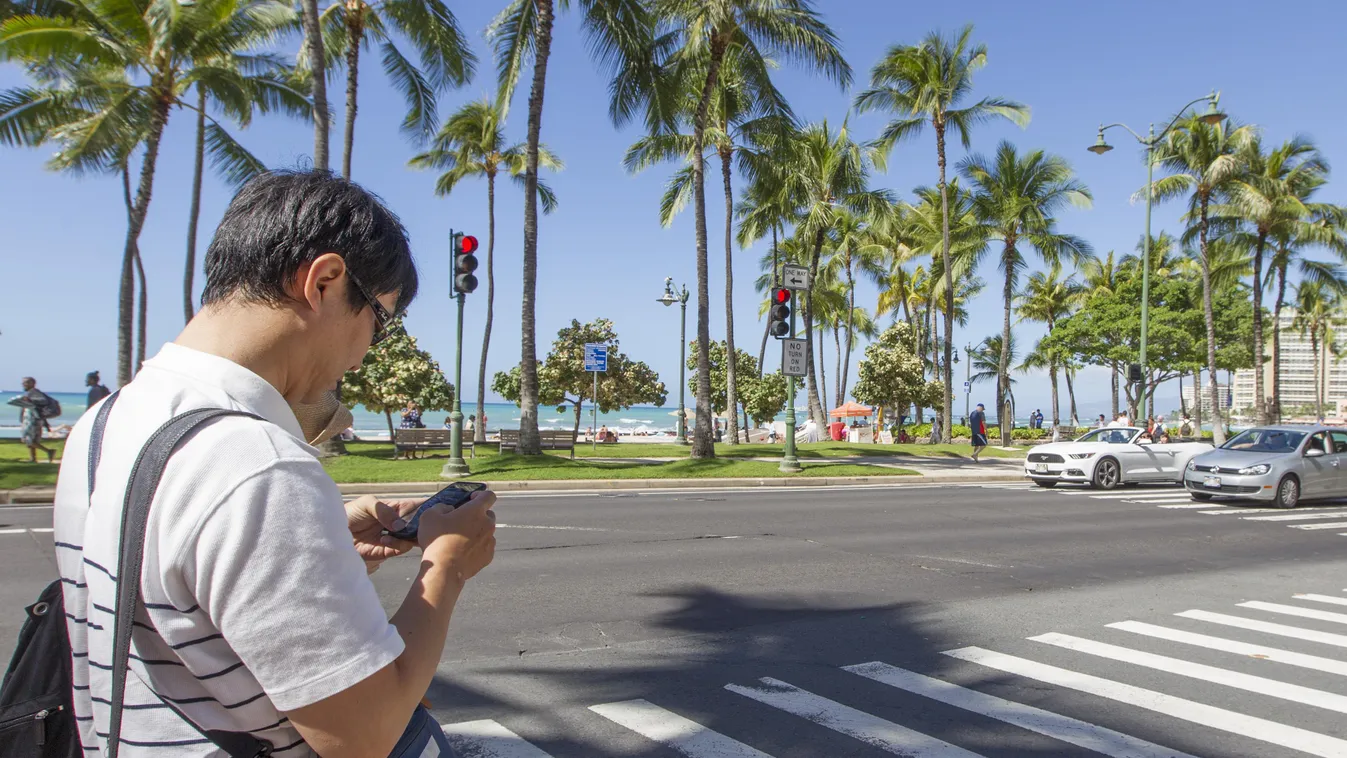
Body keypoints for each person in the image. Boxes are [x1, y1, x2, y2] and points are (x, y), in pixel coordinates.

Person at [53, 171, 497, 757]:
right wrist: (447, 563)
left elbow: (176, 614)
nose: (364, 356)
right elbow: (364, 734)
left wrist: (321, 545)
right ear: (325, 281)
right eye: (379, 322)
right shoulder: (256, 466)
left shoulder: (108, 419)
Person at [16, 376, 55, 463]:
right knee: (31, 440)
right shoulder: (30, 393)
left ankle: (49, 451)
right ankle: (33, 458)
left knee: (28, 439)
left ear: (32, 383)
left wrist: (29, 400)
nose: (23, 384)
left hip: (33, 419)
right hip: (30, 419)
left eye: (25, 382)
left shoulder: (34, 393)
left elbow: (42, 403)